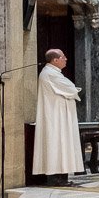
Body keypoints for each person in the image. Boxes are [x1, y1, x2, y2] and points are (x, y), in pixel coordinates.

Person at [33, 49, 84, 186]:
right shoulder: (50, 73)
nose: (66, 59)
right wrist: (74, 90)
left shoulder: (52, 73)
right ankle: (56, 178)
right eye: (63, 57)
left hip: (59, 114)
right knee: (57, 144)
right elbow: (71, 88)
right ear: (55, 60)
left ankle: (61, 177)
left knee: (61, 144)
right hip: (56, 116)